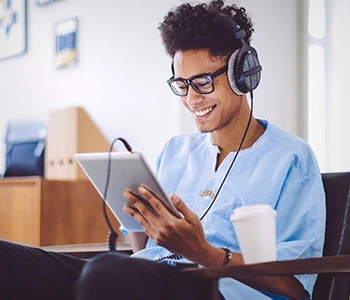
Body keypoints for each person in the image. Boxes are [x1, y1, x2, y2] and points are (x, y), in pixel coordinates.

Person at [0, 1, 325, 299]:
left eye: (202, 83)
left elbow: (296, 287)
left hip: (211, 289)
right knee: (8, 259)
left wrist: (203, 251)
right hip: (138, 278)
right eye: (182, 85)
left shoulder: (291, 159)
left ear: (242, 75)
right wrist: (141, 219)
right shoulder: (176, 150)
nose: (191, 99)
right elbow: (144, 251)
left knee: (107, 271)